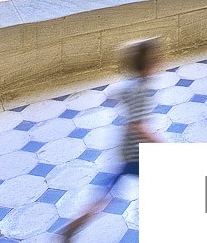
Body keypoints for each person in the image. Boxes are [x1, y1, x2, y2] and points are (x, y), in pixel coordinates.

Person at [57, 38, 163, 241]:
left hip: (126, 150)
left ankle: (75, 225)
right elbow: (137, 125)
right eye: (156, 60)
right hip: (138, 154)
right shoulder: (141, 90)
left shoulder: (132, 84)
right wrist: (160, 144)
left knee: (107, 193)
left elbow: (114, 93)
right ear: (149, 65)